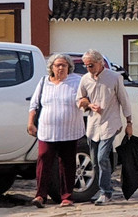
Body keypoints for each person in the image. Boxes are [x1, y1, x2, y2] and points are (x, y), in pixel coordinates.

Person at [76, 49, 133, 206]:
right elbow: (79, 99)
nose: (88, 68)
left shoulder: (114, 77)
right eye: (86, 65)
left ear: (100, 63)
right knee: (95, 161)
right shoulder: (85, 79)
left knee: (102, 158)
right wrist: (88, 104)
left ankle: (106, 192)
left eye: (91, 65)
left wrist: (129, 122)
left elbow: (124, 100)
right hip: (93, 125)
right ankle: (104, 188)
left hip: (110, 123)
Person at [28, 53, 84, 208]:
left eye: (64, 65)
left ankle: (67, 197)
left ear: (69, 67)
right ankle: (40, 196)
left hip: (69, 130)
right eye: (57, 65)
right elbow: (34, 105)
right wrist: (30, 123)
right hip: (47, 130)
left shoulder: (77, 81)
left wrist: (86, 104)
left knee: (67, 164)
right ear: (51, 67)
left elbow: (84, 98)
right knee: (44, 159)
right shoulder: (44, 82)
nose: (60, 68)